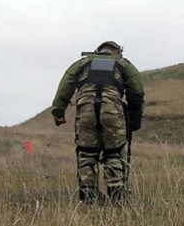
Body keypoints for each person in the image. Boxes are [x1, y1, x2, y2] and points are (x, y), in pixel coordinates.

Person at [51, 40, 145, 204]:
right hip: (112, 112)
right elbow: (136, 92)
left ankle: (88, 196)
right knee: (114, 152)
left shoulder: (82, 63)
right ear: (116, 51)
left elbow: (66, 84)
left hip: (85, 111)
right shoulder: (123, 64)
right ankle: (116, 195)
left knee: (86, 152)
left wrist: (59, 111)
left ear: (98, 50)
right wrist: (134, 120)